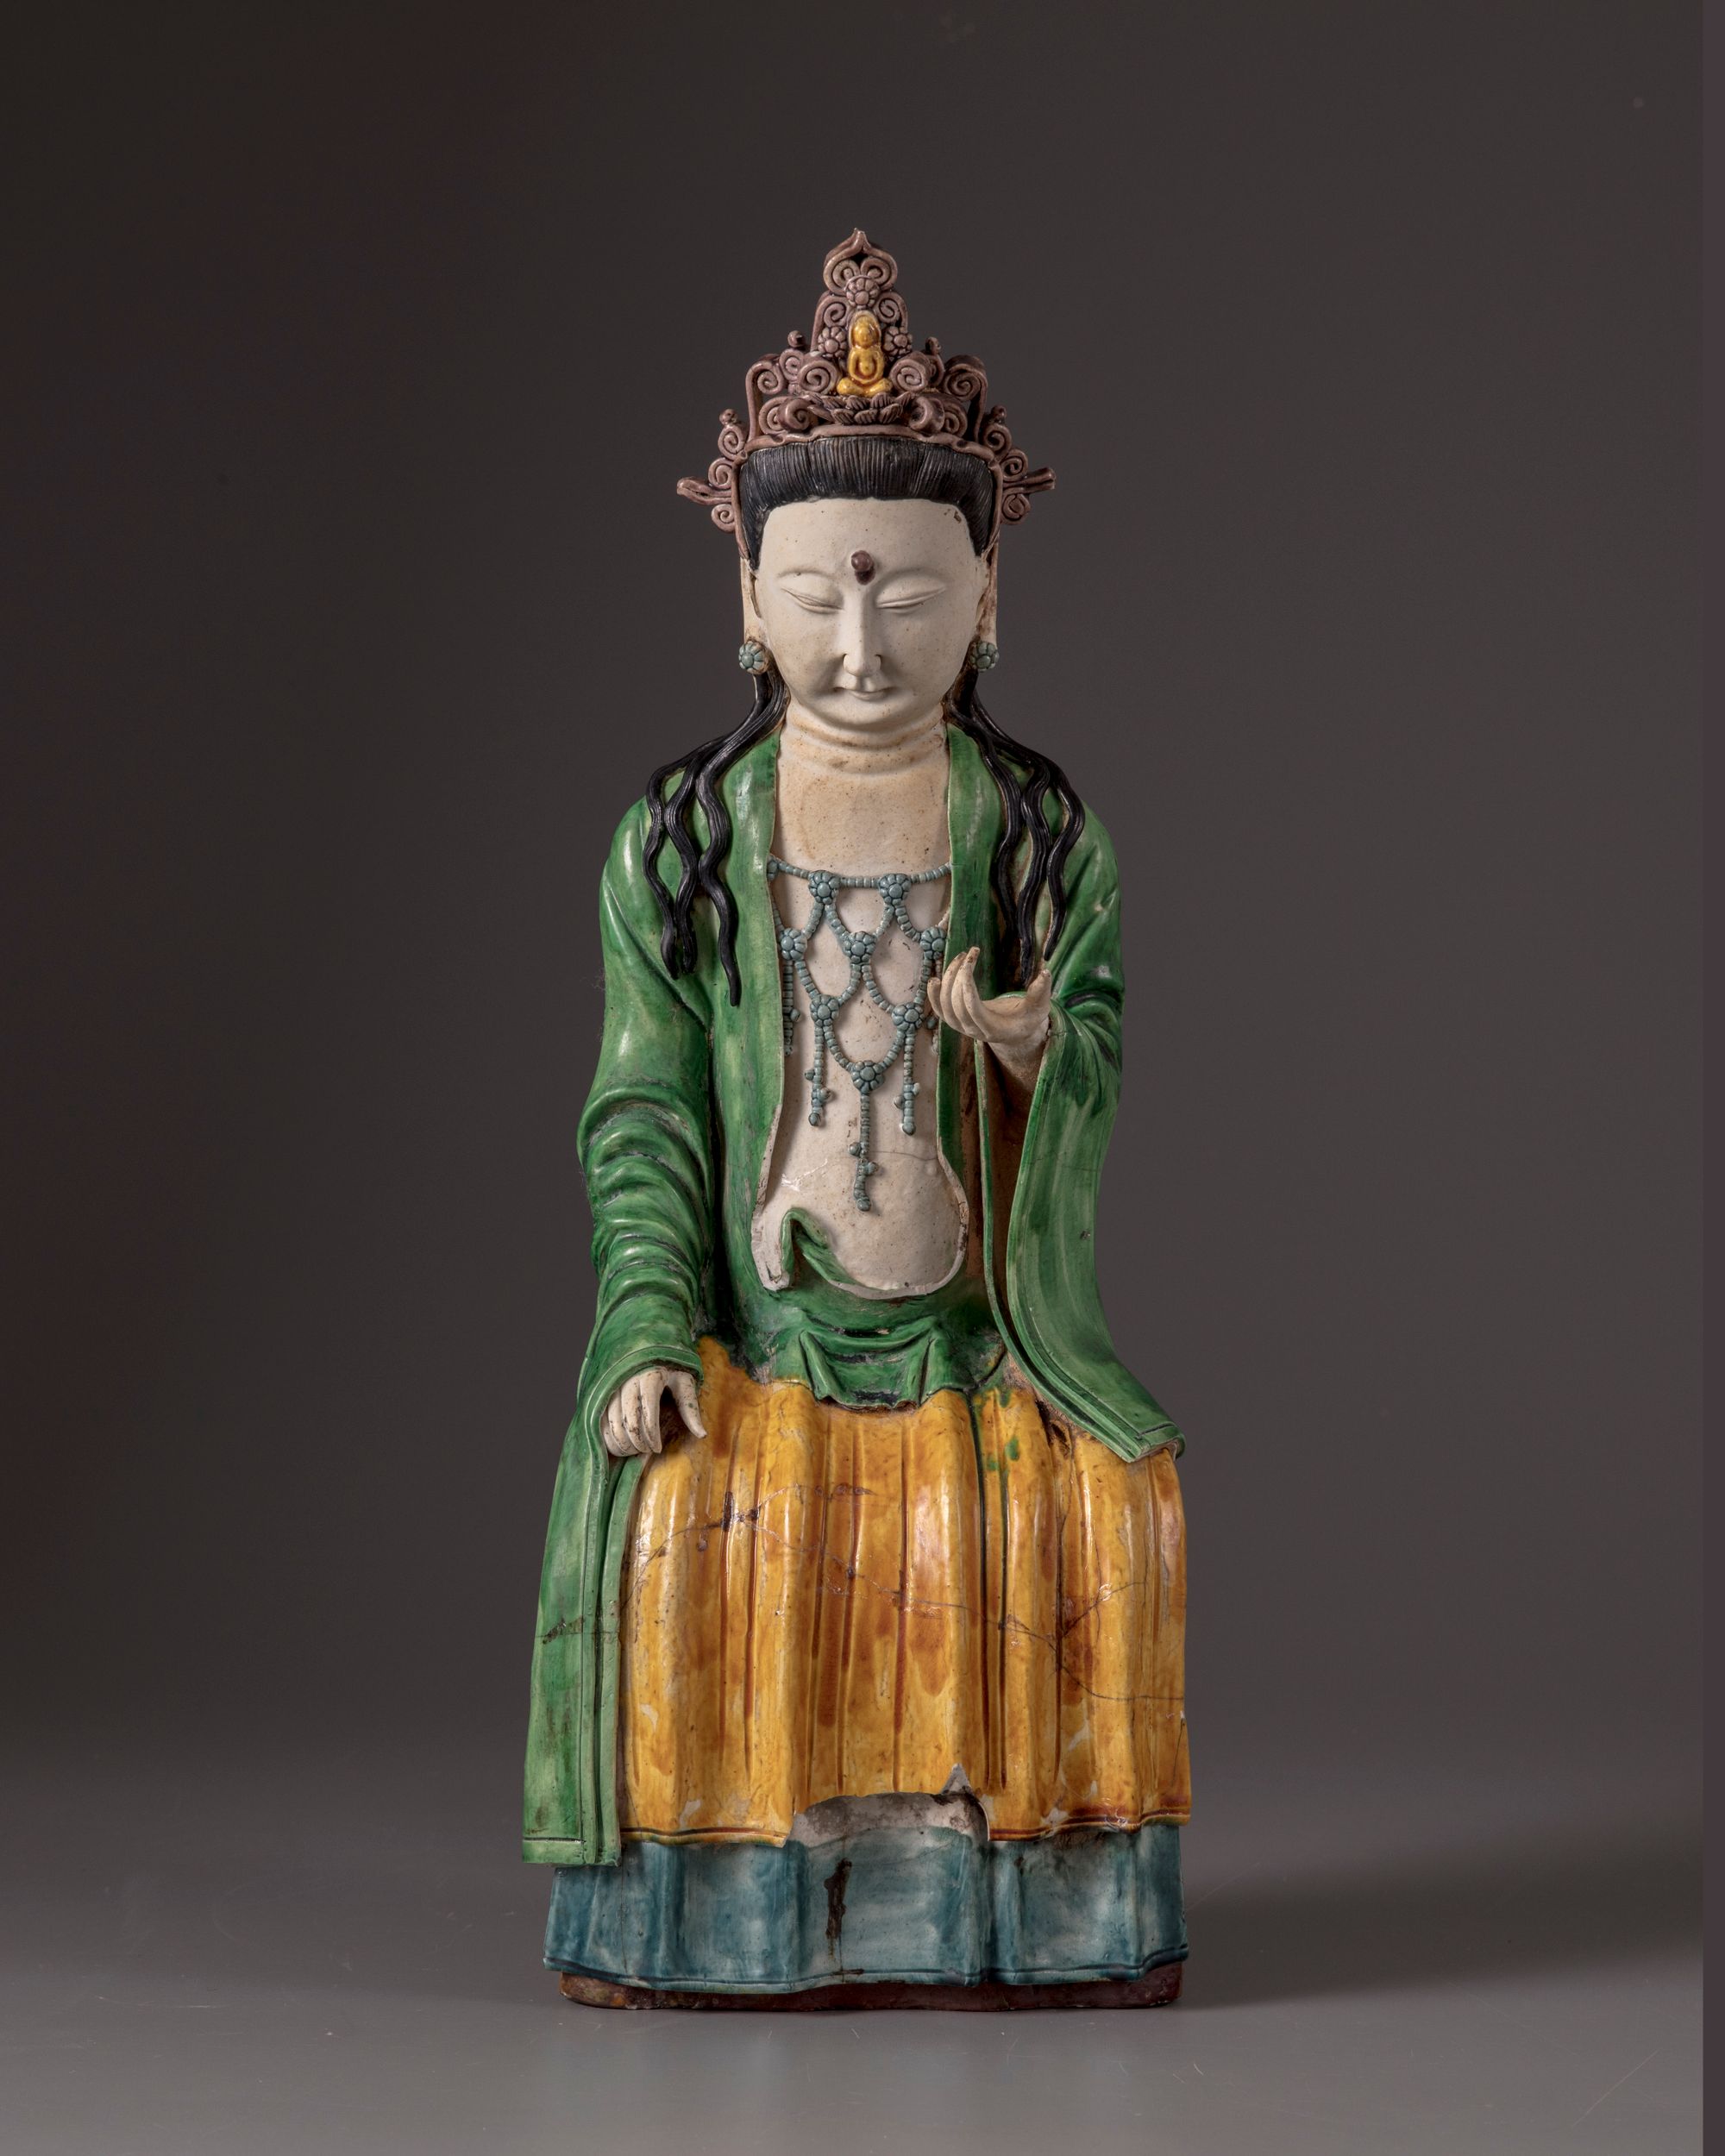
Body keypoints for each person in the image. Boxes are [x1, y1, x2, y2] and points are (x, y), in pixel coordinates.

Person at [524, 233, 1190, 2007]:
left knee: (1106, 1512)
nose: (859, 638)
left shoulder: (1039, 838)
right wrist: (648, 1325)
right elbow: (644, 1110)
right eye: (814, 592)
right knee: (688, 1522)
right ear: (746, 597)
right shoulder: (682, 843)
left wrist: (1040, 1048)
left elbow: (1099, 1045)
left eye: (908, 595)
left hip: (978, 1334)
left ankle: (1033, 1917)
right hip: (767, 1335)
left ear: (989, 595)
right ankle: (724, 1920)